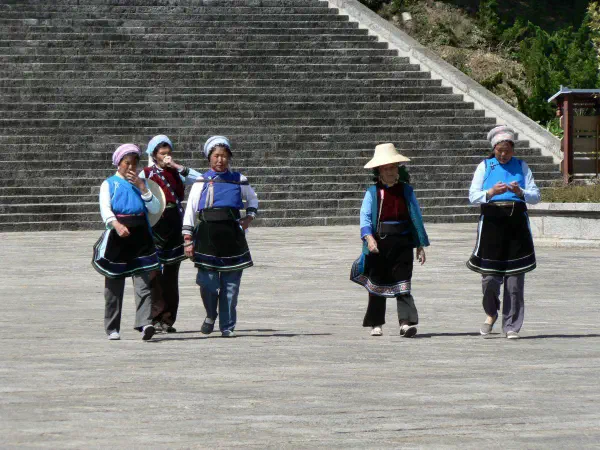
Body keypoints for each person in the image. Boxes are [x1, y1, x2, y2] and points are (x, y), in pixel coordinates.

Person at [467, 125, 541, 339]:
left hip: (516, 227)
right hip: (492, 226)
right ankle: (491, 313)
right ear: (494, 149)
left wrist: (521, 191)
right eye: (500, 150)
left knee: (515, 280)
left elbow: (536, 196)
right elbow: (473, 196)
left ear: (513, 150)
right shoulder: (485, 166)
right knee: (490, 279)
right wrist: (490, 192)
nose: (503, 154)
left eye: (507, 151)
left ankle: (511, 326)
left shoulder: (522, 166)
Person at [182, 136, 259, 338]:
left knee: (231, 286)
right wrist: (188, 239)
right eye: (216, 156)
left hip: (232, 238)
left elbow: (253, 199)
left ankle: (227, 326)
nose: (220, 160)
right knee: (207, 282)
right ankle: (210, 314)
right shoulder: (201, 181)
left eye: (224, 156)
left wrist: (248, 218)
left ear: (229, 157)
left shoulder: (239, 179)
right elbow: (190, 210)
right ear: (209, 158)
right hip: (206, 237)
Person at [350, 143, 430, 338]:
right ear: (379, 171)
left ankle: (406, 323)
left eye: (393, 167)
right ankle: (376, 323)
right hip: (380, 244)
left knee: (403, 284)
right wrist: (369, 239)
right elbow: (365, 218)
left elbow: (416, 217)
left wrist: (420, 245)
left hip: (403, 244)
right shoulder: (372, 192)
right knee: (377, 284)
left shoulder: (406, 191)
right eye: (386, 168)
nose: (390, 172)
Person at [92, 144, 162, 341]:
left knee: (143, 283)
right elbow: (105, 209)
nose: (130, 167)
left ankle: (145, 323)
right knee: (113, 284)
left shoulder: (142, 183)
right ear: (119, 163)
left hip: (141, 237)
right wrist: (116, 224)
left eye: (134, 163)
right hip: (118, 237)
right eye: (126, 163)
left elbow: (155, 208)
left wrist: (143, 188)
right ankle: (112, 327)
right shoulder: (109, 184)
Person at [140, 134, 201, 333]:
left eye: (168, 153)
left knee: (171, 274)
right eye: (162, 153)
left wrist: (175, 166)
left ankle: (168, 319)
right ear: (154, 155)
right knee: (154, 274)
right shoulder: (146, 174)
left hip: (175, 224)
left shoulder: (178, 172)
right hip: (156, 224)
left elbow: (201, 179)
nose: (166, 156)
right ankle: (154, 316)